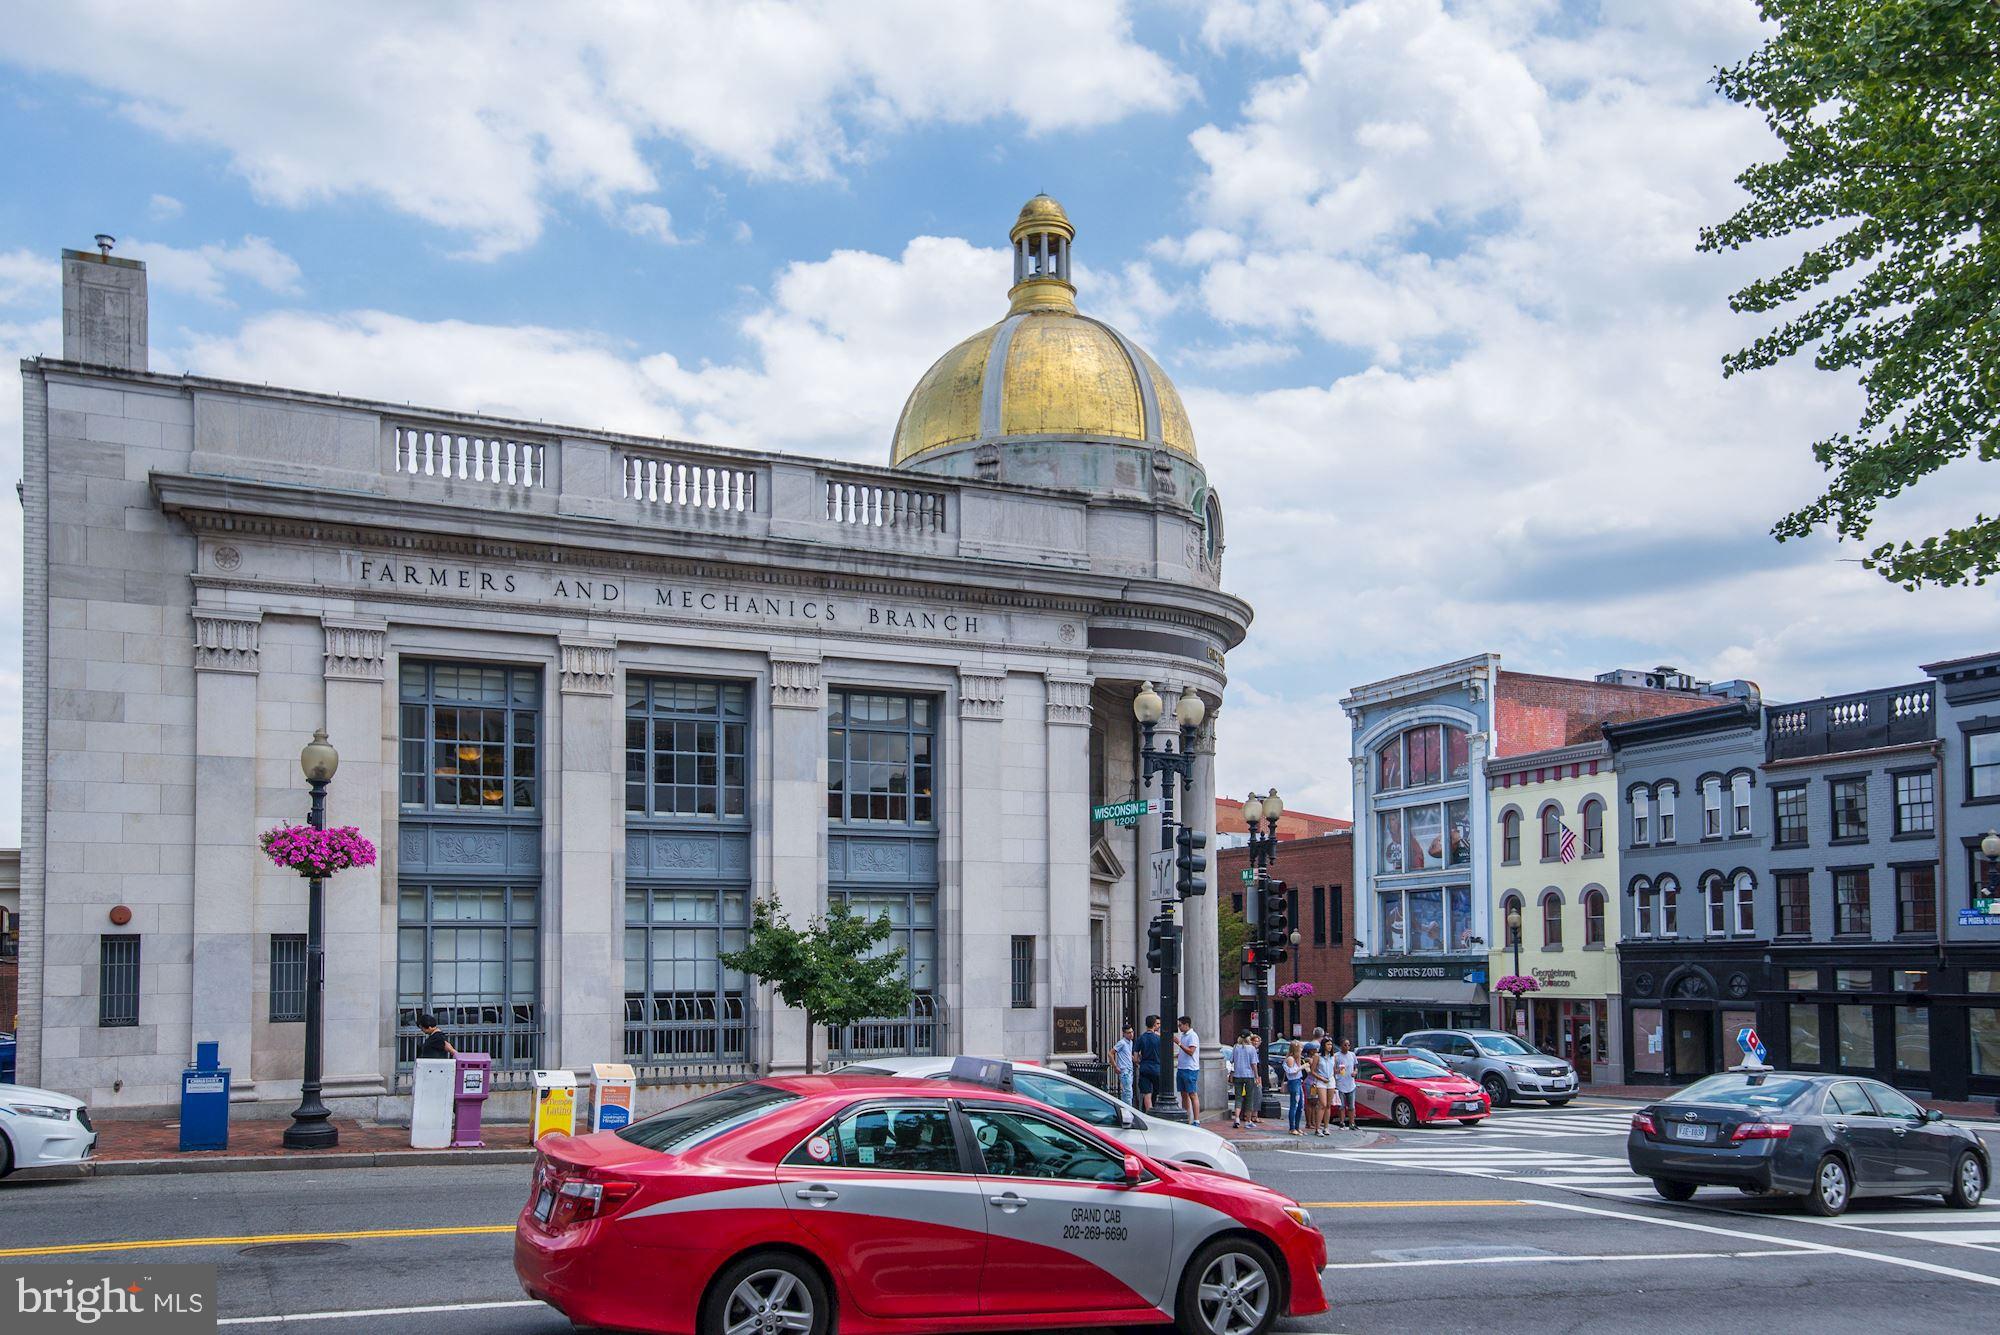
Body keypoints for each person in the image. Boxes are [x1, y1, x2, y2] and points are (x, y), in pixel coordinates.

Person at [1230, 1032, 1261, 1129]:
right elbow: (1254, 1064)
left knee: (1238, 1097)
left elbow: (1232, 1061)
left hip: (1237, 1075)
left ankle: (1237, 1118)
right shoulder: (1251, 1048)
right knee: (1249, 1098)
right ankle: (1248, 1120)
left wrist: (1231, 1074)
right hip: (1248, 1075)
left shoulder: (1235, 1047)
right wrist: (1256, 1076)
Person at [1174, 1015, 1201, 1121]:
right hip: (1182, 1067)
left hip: (1190, 1068)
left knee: (1192, 1094)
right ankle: (1186, 1117)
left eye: (1180, 1025)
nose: (1179, 1028)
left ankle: (1196, 1119)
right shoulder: (1184, 1035)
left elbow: (1191, 1051)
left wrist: (1179, 1043)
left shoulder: (1192, 1036)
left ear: (1186, 1025)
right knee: (1183, 1094)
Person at [1136, 1015, 1163, 1111]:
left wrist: (1139, 1061)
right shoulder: (1159, 1039)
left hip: (1145, 1068)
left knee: (1147, 1093)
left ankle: (1149, 1113)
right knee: (1158, 1092)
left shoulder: (1141, 1038)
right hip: (1157, 1068)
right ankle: (1157, 1111)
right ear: (1154, 1025)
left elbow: (1135, 1057)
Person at [1311, 1041, 1338, 1136]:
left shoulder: (1333, 1057)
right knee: (1323, 1103)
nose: (1330, 1046)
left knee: (1328, 1105)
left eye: (1331, 1044)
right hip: (1321, 1081)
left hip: (1331, 1080)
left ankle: (1326, 1127)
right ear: (1323, 1045)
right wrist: (1321, 1078)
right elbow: (1313, 1071)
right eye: (1328, 1044)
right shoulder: (1317, 1056)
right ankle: (1317, 1128)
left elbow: (1334, 1070)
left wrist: (1339, 1071)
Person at [1333, 1038, 1359, 1131]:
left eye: (1348, 1045)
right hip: (1340, 1083)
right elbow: (1333, 1070)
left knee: (1351, 1106)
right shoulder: (1337, 1056)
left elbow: (1356, 1067)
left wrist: (1355, 1072)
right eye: (1345, 1045)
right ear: (1341, 1046)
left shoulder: (1352, 1055)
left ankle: (1352, 1123)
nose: (1347, 1047)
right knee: (1341, 1106)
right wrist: (1338, 1071)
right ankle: (1342, 1122)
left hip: (1351, 1083)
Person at [1283, 1042, 1306, 1136]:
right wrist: (1302, 1067)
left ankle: (1297, 1126)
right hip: (1293, 1082)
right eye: (1300, 1048)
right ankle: (1292, 1128)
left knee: (1300, 1105)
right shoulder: (1290, 1059)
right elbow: (1291, 1071)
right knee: (1294, 1105)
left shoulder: (1297, 1059)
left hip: (1298, 1082)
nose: (1301, 1050)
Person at [1113, 1023, 1136, 1107]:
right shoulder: (1121, 1043)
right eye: (1129, 1033)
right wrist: (1115, 1066)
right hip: (1125, 1070)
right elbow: (1111, 1053)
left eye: (1132, 1032)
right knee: (1128, 1092)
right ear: (1124, 1033)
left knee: (1127, 1092)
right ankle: (1129, 1109)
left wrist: (1135, 1060)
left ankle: (1125, 1108)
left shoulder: (1130, 1042)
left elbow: (1129, 1054)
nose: (1131, 1034)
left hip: (1130, 1069)